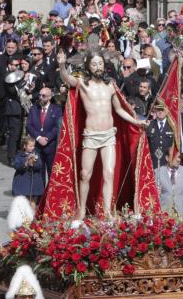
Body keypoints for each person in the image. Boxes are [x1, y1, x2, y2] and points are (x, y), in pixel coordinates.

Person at [57, 50, 149, 219]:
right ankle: (82, 211)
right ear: (88, 66)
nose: (98, 67)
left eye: (100, 64)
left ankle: (107, 212)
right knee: (85, 174)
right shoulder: (82, 83)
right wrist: (62, 65)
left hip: (108, 136)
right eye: (94, 64)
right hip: (91, 135)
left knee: (109, 173)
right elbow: (67, 79)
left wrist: (136, 122)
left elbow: (119, 109)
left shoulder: (110, 86)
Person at [26, 87, 63, 172]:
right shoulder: (34, 109)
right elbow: (29, 125)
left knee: (52, 172)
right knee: (38, 173)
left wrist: (47, 138)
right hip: (37, 146)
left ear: (50, 97)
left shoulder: (57, 109)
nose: (40, 98)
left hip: (50, 146)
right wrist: (38, 138)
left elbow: (57, 127)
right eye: (39, 95)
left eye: (43, 96)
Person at [12, 137, 46, 203]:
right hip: (22, 181)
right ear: (24, 146)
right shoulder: (19, 155)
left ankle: (32, 213)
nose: (32, 148)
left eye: (33, 146)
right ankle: (22, 212)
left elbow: (40, 165)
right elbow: (16, 166)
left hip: (34, 182)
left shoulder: (36, 154)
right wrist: (26, 163)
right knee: (23, 200)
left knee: (33, 200)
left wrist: (33, 164)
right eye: (30, 146)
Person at [146, 101, 176, 170]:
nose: (160, 112)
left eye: (162, 110)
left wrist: (172, 159)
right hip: (153, 161)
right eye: (158, 110)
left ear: (167, 111)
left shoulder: (173, 126)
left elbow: (176, 145)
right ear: (155, 111)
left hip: (167, 161)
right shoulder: (149, 125)